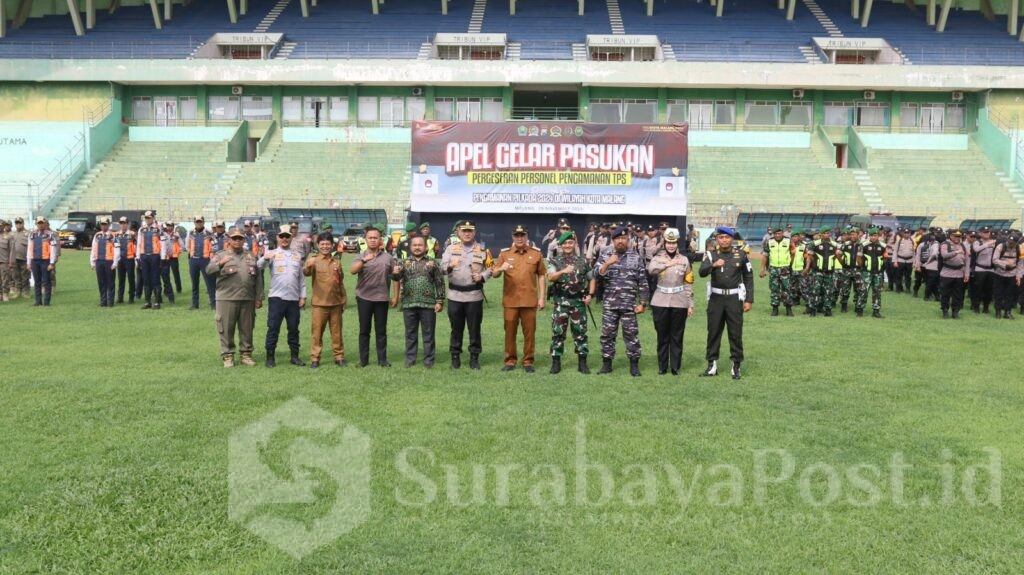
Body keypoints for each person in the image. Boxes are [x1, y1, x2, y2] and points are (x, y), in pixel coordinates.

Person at [699, 226, 753, 379]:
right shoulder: (710, 254)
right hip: (716, 299)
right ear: (717, 239)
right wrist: (713, 265)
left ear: (732, 239)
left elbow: (748, 277)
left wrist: (749, 299)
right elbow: (702, 272)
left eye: (727, 237)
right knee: (713, 332)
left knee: (735, 333)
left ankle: (736, 365)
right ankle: (712, 365)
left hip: (734, 300)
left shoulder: (741, 255)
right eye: (721, 237)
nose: (724, 240)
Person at [492, 225, 547, 373]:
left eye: (522, 235)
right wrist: (500, 269)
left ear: (527, 236)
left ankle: (528, 361)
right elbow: (494, 274)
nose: (520, 238)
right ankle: (510, 360)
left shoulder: (536, 254)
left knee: (529, 333)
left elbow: (541, 275)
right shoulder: (505, 254)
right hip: (511, 301)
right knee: (510, 332)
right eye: (517, 235)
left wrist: (542, 297)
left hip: (529, 301)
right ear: (513, 237)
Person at [595, 226, 649, 376]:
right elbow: (595, 274)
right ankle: (607, 364)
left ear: (628, 240)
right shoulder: (605, 255)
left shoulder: (636, 257)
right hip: (610, 305)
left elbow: (643, 282)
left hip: (629, 305)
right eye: (618, 239)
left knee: (631, 335)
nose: (620, 241)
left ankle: (634, 365)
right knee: (607, 335)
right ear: (613, 241)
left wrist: (643, 303)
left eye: (623, 238)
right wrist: (607, 264)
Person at [207, 227, 264, 367]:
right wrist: (220, 263)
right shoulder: (220, 255)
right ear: (229, 240)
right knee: (226, 328)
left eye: (240, 238)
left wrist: (259, 297)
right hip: (226, 298)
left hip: (247, 298)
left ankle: (246, 354)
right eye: (234, 238)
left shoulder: (250, 256)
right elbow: (208, 270)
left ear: (243, 239)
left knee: (247, 328)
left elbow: (258, 278)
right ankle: (228, 356)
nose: (237, 241)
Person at [441, 219, 493, 370]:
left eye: (470, 231)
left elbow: (491, 268)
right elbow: (442, 268)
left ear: (474, 233)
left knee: (474, 328)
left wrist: (482, 276)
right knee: (456, 328)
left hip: (474, 296)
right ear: (458, 232)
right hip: (455, 295)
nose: (467, 233)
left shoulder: (483, 250)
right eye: (464, 231)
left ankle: (474, 357)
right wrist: (450, 266)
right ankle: (455, 357)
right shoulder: (450, 249)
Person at [392, 236, 445, 368]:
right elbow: (396, 278)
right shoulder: (403, 263)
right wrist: (394, 273)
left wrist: (440, 301)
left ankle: (429, 360)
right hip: (409, 303)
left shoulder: (432, 263)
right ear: (410, 247)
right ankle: (410, 359)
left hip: (428, 304)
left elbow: (440, 283)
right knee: (410, 333)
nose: (417, 247)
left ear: (426, 247)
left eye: (420, 245)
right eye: (414, 245)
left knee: (428, 333)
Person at [546, 230, 594, 374]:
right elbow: (550, 277)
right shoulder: (555, 261)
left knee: (580, 333)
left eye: (570, 242)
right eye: (565, 243)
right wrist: (563, 271)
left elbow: (592, 278)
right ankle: (556, 363)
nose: (568, 245)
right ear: (560, 245)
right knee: (558, 333)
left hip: (578, 303)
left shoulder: (583, 261)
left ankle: (582, 363)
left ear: (575, 244)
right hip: (561, 303)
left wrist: (590, 295)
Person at [647, 228, 694, 376]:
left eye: (673, 243)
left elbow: (688, 282)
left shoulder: (684, 260)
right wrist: (666, 264)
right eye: (668, 243)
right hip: (660, 301)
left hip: (679, 301)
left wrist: (690, 303)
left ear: (677, 243)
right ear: (664, 243)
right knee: (662, 336)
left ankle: (675, 367)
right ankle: (662, 367)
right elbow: (651, 270)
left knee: (677, 336)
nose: (671, 246)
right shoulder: (657, 258)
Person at [259, 225, 307, 368]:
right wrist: (265, 258)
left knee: (293, 328)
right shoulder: (272, 254)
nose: (285, 239)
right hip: (277, 298)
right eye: (282, 236)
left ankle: (294, 356)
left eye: (287, 236)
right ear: (277, 238)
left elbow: (301, 279)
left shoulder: (297, 256)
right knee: (273, 327)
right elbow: (259, 266)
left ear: (291, 238)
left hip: (293, 299)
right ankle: (270, 358)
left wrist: (303, 296)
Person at [350, 224, 397, 368]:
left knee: (381, 331)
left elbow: (396, 277)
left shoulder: (388, 258)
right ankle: (363, 360)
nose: (372, 240)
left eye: (375, 238)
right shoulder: (361, 256)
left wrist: (395, 296)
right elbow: (352, 270)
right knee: (364, 330)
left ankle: (382, 360)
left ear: (380, 240)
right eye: (370, 238)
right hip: (364, 297)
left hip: (382, 298)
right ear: (365, 239)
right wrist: (365, 260)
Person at [305, 232, 348, 368]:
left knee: (337, 332)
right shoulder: (313, 260)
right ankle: (315, 358)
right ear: (318, 245)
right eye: (322, 244)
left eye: (327, 244)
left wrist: (343, 298)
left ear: (332, 245)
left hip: (335, 303)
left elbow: (340, 282)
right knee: (317, 333)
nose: (325, 246)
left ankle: (339, 356)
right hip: (319, 304)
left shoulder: (337, 262)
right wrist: (308, 265)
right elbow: (305, 273)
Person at [803, 226, 841, 317]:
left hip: (829, 272)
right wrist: (809, 267)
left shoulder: (835, 244)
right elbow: (810, 257)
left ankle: (827, 310)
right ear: (821, 234)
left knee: (828, 291)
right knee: (815, 290)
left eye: (828, 233)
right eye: (825, 233)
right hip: (817, 271)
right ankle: (813, 310)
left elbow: (837, 256)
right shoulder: (814, 244)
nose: (827, 235)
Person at [759, 226, 794, 316]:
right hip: (773, 269)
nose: (778, 235)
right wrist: (762, 269)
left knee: (787, 289)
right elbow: (765, 256)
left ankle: (788, 309)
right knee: (774, 289)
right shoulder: (769, 242)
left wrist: (791, 265)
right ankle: (775, 309)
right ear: (773, 234)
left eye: (779, 233)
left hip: (785, 268)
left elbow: (793, 253)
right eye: (776, 234)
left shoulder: (788, 241)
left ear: (782, 233)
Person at [936, 229, 970, 319]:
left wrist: (967, 273)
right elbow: (944, 255)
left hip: (959, 273)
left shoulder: (962, 245)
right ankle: (945, 311)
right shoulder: (945, 244)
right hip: (947, 273)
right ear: (950, 236)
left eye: (959, 236)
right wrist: (956, 252)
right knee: (945, 294)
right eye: (955, 236)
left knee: (958, 295)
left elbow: (967, 260)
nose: (957, 238)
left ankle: (955, 311)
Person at [136, 211, 165, 309]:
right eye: (146, 218)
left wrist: (163, 257)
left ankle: (157, 301)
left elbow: (163, 244)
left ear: (153, 218)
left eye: (149, 217)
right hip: (144, 256)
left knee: (156, 278)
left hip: (155, 256)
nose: (148, 219)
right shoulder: (141, 230)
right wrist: (138, 257)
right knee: (146, 279)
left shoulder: (158, 229)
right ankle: (147, 301)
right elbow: (139, 244)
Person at [26, 216, 57, 306]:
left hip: (45, 261)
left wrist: (51, 263)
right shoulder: (32, 234)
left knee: (46, 281)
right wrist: (28, 262)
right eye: (38, 223)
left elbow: (53, 249)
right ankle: (38, 301)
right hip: (34, 260)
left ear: (45, 223)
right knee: (37, 282)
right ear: (36, 224)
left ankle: (46, 302)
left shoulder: (50, 235)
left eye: (42, 223)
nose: (40, 225)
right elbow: (29, 248)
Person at [186, 216, 216, 310]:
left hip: (205, 260)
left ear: (203, 222)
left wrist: (210, 255)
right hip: (194, 260)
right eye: (197, 222)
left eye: (200, 221)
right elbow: (187, 245)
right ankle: (195, 304)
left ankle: (213, 304)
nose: (199, 223)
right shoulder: (190, 232)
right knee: (194, 283)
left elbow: (214, 245)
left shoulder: (209, 233)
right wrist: (191, 255)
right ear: (194, 222)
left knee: (210, 283)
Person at [89, 218, 119, 307]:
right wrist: (92, 261)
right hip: (99, 261)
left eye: (105, 224)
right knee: (101, 282)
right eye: (102, 224)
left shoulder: (112, 236)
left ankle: (110, 302)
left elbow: (117, 249)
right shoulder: (97, 235)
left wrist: (115, 262)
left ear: (108, 225)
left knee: (110, 282)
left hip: (109, 261)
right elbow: (93, 249)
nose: (103, 226)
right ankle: (103, 301)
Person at [991, 233, 1022, 319]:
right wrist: (1005, 264)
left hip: (1012, 275)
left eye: (1012, 243)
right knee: (998, 294)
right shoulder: (1000, 246)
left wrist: (1018, 276)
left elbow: (1020, 263)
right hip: (999, 273)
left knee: (1010, 294)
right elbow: (994, 260)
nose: (1010, 244)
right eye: (1009, 242)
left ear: (1016, 243)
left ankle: (1007, 312)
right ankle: (998, 312)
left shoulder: (1019, 248)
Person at [859, 227, 887, 318]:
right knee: (864, 291)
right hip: (867, 272)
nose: (873, 237)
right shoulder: (863, 245)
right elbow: (859, 258)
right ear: (869, 236)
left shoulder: (883, 246)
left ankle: (876, 311)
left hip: (878, 273)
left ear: (878, 236)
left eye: (875, 235)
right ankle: (860, 309)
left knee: (877, 292)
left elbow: (885, 257)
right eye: (872, 236)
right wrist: (862, 268)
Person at [837, 228, 865, 314]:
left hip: (858, 270)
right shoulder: (845, 244)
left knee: (858, 289)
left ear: (858, 235)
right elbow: (838, 255)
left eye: (854, 234)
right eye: (851, 234)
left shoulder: (862, 245)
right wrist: (843, 264)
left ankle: (858, 305)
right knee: (845, 289)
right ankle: (844, 305)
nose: (852, 236)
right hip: (847, 270)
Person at [970, 226, 997, 314]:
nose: (987, 233)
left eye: (988, 232)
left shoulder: (994, 242)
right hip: (980, 268)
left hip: (991, 269)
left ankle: (986, 307)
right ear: (980, 233)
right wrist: (987, 244)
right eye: (985, 232)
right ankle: (976, 307)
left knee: (989, 290)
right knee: (978, 289)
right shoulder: (977, 242)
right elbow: (976, 249)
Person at [114, 217, 136, 304]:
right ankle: (120, 298)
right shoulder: (116, 234)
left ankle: (131, 297)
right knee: (121, 279)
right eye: (121, 223)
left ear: (127, 224)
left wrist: (137, 258)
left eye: (124, 223)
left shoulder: (132, 234)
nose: (123, 225)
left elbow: (137, 246)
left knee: (131, 279)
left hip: (129, 259)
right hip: (120, 259)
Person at [159, 221, 180, 305]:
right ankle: (163, 293)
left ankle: (178, 289)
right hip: (163, 258)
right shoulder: (162, 234)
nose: (169, 227)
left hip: (172, 257)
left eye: (171, 225)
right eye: (168, 225)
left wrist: (177, 252)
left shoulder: (176, 235)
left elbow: (181, 245)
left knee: (175, 274)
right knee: (163, 276)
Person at [9, 217, 30, 300]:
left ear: (23, 223)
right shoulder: (12, 234)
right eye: (16, 223)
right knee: (15, 276)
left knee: (25, 276)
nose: (18, 224)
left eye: (20, 223)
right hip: (14, 259)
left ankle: (26, 291)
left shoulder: (28, 233)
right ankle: (18, 291)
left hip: (24, 258)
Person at [891, 228, 916, 294]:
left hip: (909, 261)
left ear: (910, 234)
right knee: (899, 275)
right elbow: (895, 251)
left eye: (908, 233)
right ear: (903, 233)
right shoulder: (899, 241)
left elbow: (914, 252)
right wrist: (895, 261)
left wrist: (914, 262)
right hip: (900, 260)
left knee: (908, 276)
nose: (906, 234)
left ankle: (908, 288)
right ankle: (898, 288)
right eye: (905, 233)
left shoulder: (912, 241)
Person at [0, 220, 12, 302]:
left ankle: (5, 293)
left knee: (5, 278)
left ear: (4, 226)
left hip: (4, 261)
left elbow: (12, 251)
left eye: (1, 225)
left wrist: (11, 262)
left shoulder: (8, 237)